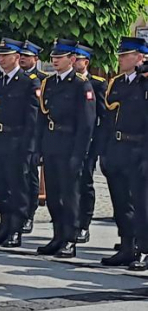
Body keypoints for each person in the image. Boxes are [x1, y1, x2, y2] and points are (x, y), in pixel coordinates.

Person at [36, 38, 95, 258]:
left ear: (72, 59)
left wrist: (79, 155)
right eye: (53, 57)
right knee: (53, 195)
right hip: (52, 144)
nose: (55, 61)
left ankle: (70, 239)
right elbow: (43, 117)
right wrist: (40, 147)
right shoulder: (49, 83)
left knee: (70, 197)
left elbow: (86, 124)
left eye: (59, 58)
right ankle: (57, 235)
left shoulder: (81, 84)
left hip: (70, 145)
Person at [0, 38, 39, 248]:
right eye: (0, 55)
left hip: (17, 141)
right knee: (1, 186)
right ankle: (4, 225)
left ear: (17, 57)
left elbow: (32, 119)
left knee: (17, 188)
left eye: (6, 55)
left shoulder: (28, 81)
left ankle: (15, 228)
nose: (1, 59)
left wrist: (29, 148)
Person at [100, 37, 146, 268]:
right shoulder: (116, 83)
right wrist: (105, 151)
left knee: (141, 202)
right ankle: (127, 245)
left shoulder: (144, 82)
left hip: (140, 149)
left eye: (125, 55)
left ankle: (143, 248)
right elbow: (108, 119)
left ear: (140, 56)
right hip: (118, 147)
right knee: (121, 201)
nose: (120, 59)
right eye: (120, 55)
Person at [72, 43, 107, 244]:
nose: (74, 61)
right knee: (69, 184)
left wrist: (97, 144)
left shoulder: (97, 83)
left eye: (78, 59)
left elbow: (103, 117)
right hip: (68, 141)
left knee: (84, 182)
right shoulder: (67, 82)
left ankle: (84, 224)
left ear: (86, 62)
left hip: (88, 143)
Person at [19, 39, 50, 233]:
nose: (23, 59)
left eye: (27, 57)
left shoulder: (42, 80)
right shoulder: (11, 78)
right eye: (21, 56)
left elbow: (40, 114)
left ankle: (28, 215)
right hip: (13, 136)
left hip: (31, 138)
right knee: (14, 179)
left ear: (36, 59)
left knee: (29, 179)